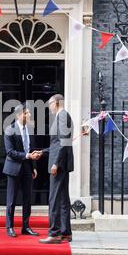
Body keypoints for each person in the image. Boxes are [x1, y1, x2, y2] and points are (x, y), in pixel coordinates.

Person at [37, 94, 74, 244]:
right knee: (64, 199)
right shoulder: (61, 116)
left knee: (53, 198)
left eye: (50, 103)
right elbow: (56, 144)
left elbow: (63, 143)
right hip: (61, 163)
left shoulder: (63, 116)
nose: (49, 106)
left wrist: (55, 163)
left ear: (57, 102)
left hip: (59, 165)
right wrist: (43, 152)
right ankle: (65, 232)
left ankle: (55, 233)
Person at [3, 103, 41, 238]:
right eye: (27, 113)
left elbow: (32, 148)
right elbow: (10, 152)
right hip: (13, 167)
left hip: (27, 167)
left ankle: (26, 227)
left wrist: (34, 166)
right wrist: (27, 156)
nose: (30, 115)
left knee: (27, 199)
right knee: (11, 199)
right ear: (19, 115)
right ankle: (10, 227)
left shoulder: (30, 129)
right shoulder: (10, 130)